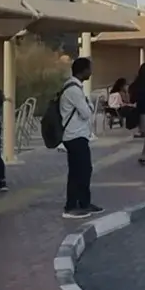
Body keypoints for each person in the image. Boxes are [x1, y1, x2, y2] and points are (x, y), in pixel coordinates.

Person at [61, 57, 102, 219]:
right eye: (89, 69)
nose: (91, 73)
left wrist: (87, 104)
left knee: (83, 170)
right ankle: (71, 206)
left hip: (79, 135)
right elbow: (86, 112)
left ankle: (84, 203)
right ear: (83, 70)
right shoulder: (73, 90)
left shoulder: (75, 88)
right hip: (75, 136)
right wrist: (88, 104)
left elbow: (86, 109)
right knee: (79, 171)